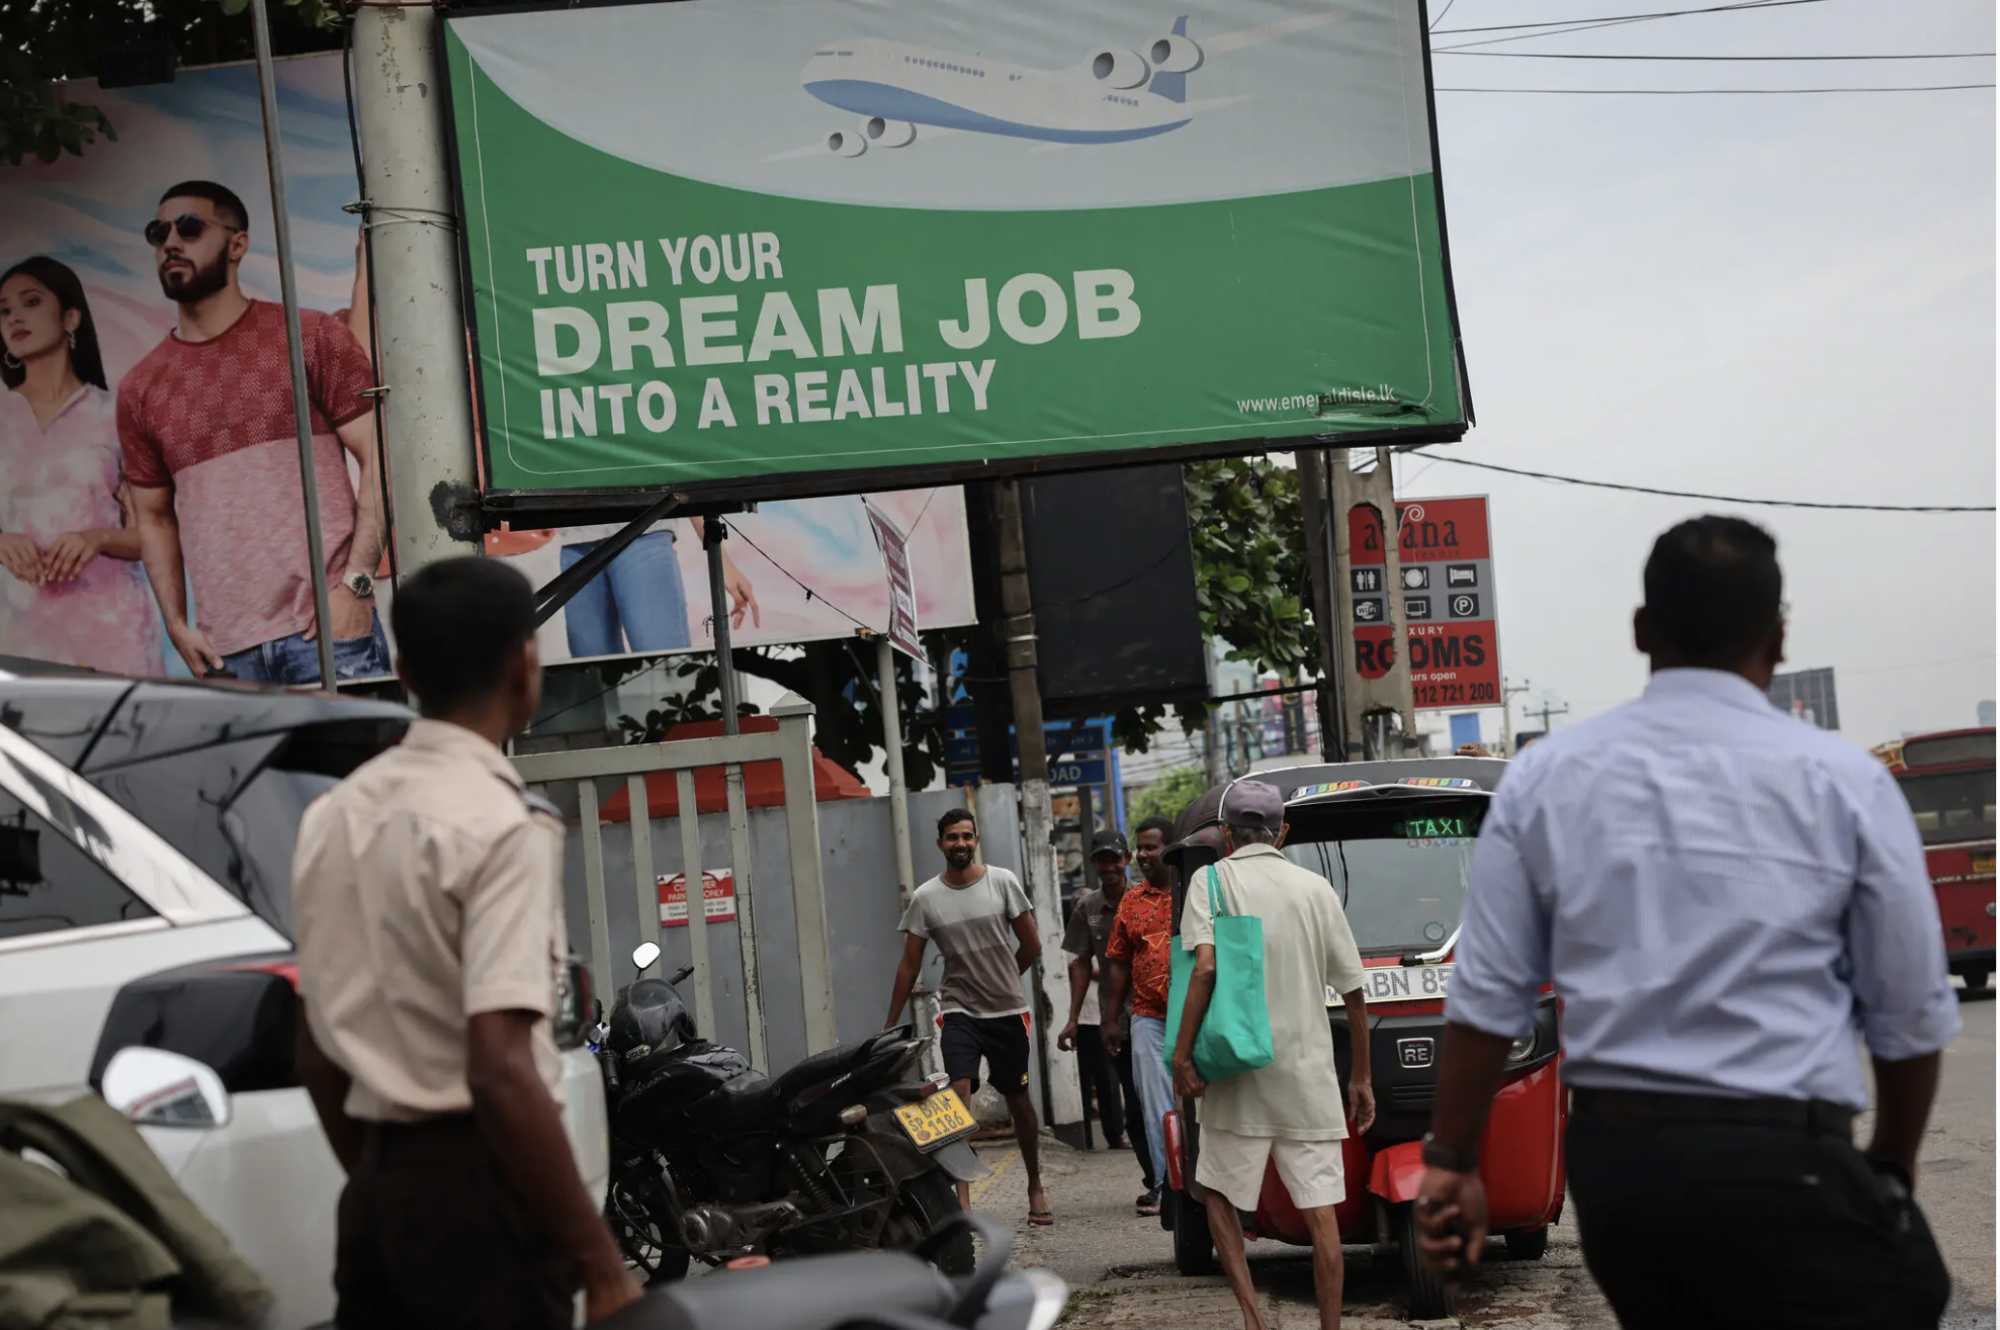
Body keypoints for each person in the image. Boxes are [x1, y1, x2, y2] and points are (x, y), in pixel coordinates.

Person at [1417, 516, 1959, 1329]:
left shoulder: (1546, 779)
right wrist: (1890, 1167)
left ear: (1641, 630)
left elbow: (1487, 999)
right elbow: (1910, 1016)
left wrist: (1452, 1160)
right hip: (1795, 1163)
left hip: (1630, 1182)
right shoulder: (1846, 783)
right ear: (1778, 639)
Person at [291, 557, 641, 1330]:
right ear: (527, 664)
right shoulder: (501, 825)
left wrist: (390, 1189)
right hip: (486, 1203)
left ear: (405, 668)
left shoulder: (333, 818)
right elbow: (501, 1065)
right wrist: (603, 1267)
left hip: (378, 1197)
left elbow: (317, 1054)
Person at [117, 180, 390, 685]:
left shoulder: (310, 337)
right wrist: (176, 626)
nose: (171, 243)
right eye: (159, 232)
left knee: (361, 768)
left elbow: (383, 459)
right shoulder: (140, 388)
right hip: (224, 657)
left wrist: (354, 585)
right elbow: (152, 518)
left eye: (190, 227)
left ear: (237, 244)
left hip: (328, 634)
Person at [1174, 780, 1374, 1330]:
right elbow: (1354, 992)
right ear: (1282, 833)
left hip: (1238, 1075)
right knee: (1321, 1217)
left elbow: (1207, 969)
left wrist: (1182, 1055)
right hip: (1308, 1078)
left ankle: (1254, 1321)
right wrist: (1360, 1077)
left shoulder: (1209, 882)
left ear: (1226, 836)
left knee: (1216, 1193)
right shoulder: (1315, 889)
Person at [884, 808, 1051, 1225]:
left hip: (1009, 1011)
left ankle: (1035, 1183)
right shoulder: (926, 898)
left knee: (1019, 1103)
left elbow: (1031, 944)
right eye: (952, 837)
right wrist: (888, 1024)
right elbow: (909, 965)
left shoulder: (1003, 882)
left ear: (976, 841)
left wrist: (1005, 978)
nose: (960, 843)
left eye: (967, 836)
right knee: (958, 1093)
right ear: (939, 843)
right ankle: (963, 1198)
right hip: (959, 1009)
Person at [0, 256, 164, 675]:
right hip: (19, 638)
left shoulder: (115, 415)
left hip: (113, 633)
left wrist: (97, 538)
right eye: (4, 311)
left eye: (31, 302)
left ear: (71, 317)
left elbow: (159, 535)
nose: (14, 316)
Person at [1057, 828, 1157, 1210]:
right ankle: (1155, 1180)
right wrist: (1072, 1018)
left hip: (1158, 1014)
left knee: (1162, 1100)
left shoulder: (1149, 899)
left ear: (1126, 860)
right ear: (1094, 863)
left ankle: (1177, 1180)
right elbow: (1080, 963)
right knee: (1133, 1103)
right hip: (1117, 1020)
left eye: (1115, 858)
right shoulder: (1088, 907)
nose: (1109, 866)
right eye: (1101, 859)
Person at [1101, 816, 1180, 1218]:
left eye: (1152, 847)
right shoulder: (1132, 902)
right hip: (1148, 1017)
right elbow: (1117, 962)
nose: (1145, 855)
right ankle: (1168, 1188)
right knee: (1156, 1107)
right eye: (1142, 848)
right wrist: (1112, 1020)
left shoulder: (1196, 891)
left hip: (1199, 1017)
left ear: (1172, 847)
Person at [555, 518, 758, 658]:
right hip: (575, 534)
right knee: (591, 679)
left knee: (663, 663)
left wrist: (722, 560)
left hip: (643, 525)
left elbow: (682, 466)